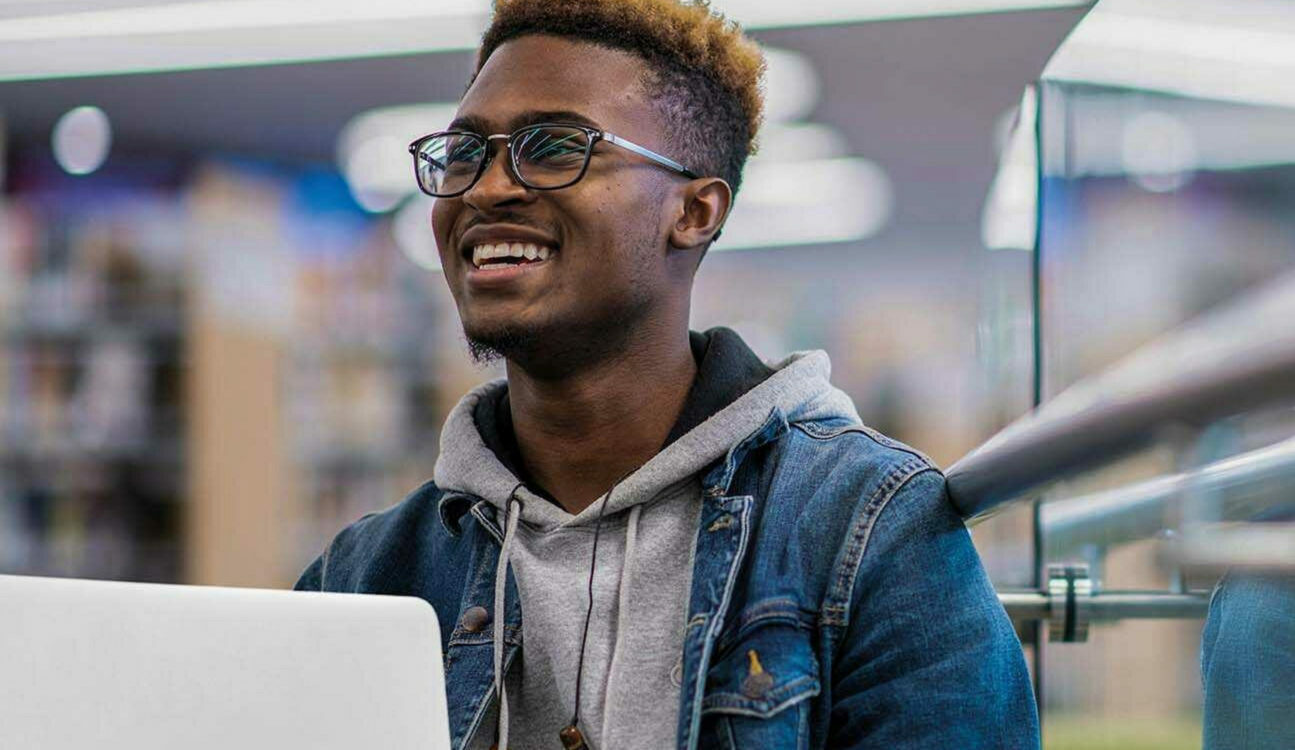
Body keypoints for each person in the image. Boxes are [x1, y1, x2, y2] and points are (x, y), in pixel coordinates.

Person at [293, 1, 1036, 748]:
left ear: (696, 211)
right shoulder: (367, 573)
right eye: (464, 154)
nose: (485, 190)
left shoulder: (867, 530)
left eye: (554, 146)